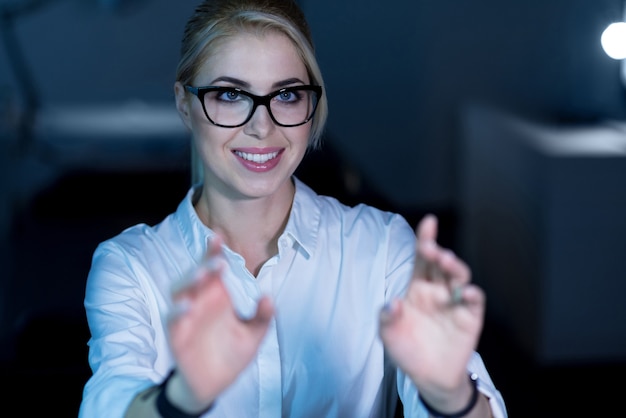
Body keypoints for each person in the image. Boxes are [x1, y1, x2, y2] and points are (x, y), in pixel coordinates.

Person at [78, 0, 508, 417]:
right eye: (230, 94)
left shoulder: (381, 249)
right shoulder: (130, 266)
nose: (261, 126)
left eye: (286, 95)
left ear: (311, 104)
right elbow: (111, 400)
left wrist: (449, 393)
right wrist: (181, 398)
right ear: (185, 104)